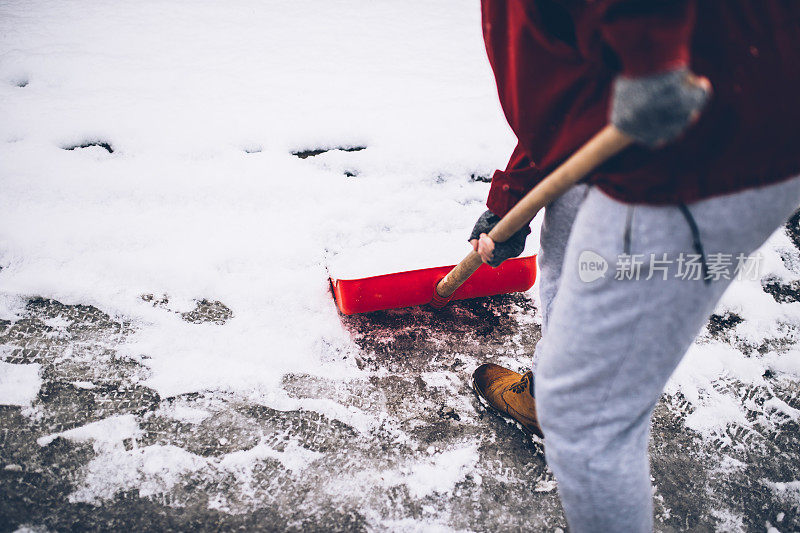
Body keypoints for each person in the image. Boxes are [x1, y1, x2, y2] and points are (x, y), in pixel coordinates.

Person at [468, 1, 800, 531]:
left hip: (702, 134)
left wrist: (650, 55)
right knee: (570, 231)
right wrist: (513, 194)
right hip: (648, 106)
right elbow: (576, 85)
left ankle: (566, 403)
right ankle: (548, 390)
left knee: (589, 419)